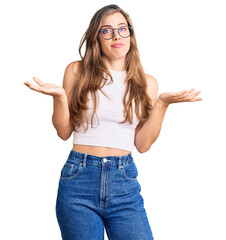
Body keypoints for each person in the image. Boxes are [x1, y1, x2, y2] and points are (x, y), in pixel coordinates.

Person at [24, 4, 202, 240]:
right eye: (106, 30)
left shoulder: (147, 83)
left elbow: (142, 145)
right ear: (96, 37)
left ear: (131, 34)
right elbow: (63, 131)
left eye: (122, 29)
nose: (116, 36)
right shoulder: (77, 71)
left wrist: (162, 104)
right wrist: (59, 97)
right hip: (79, 178)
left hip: (123, 181)